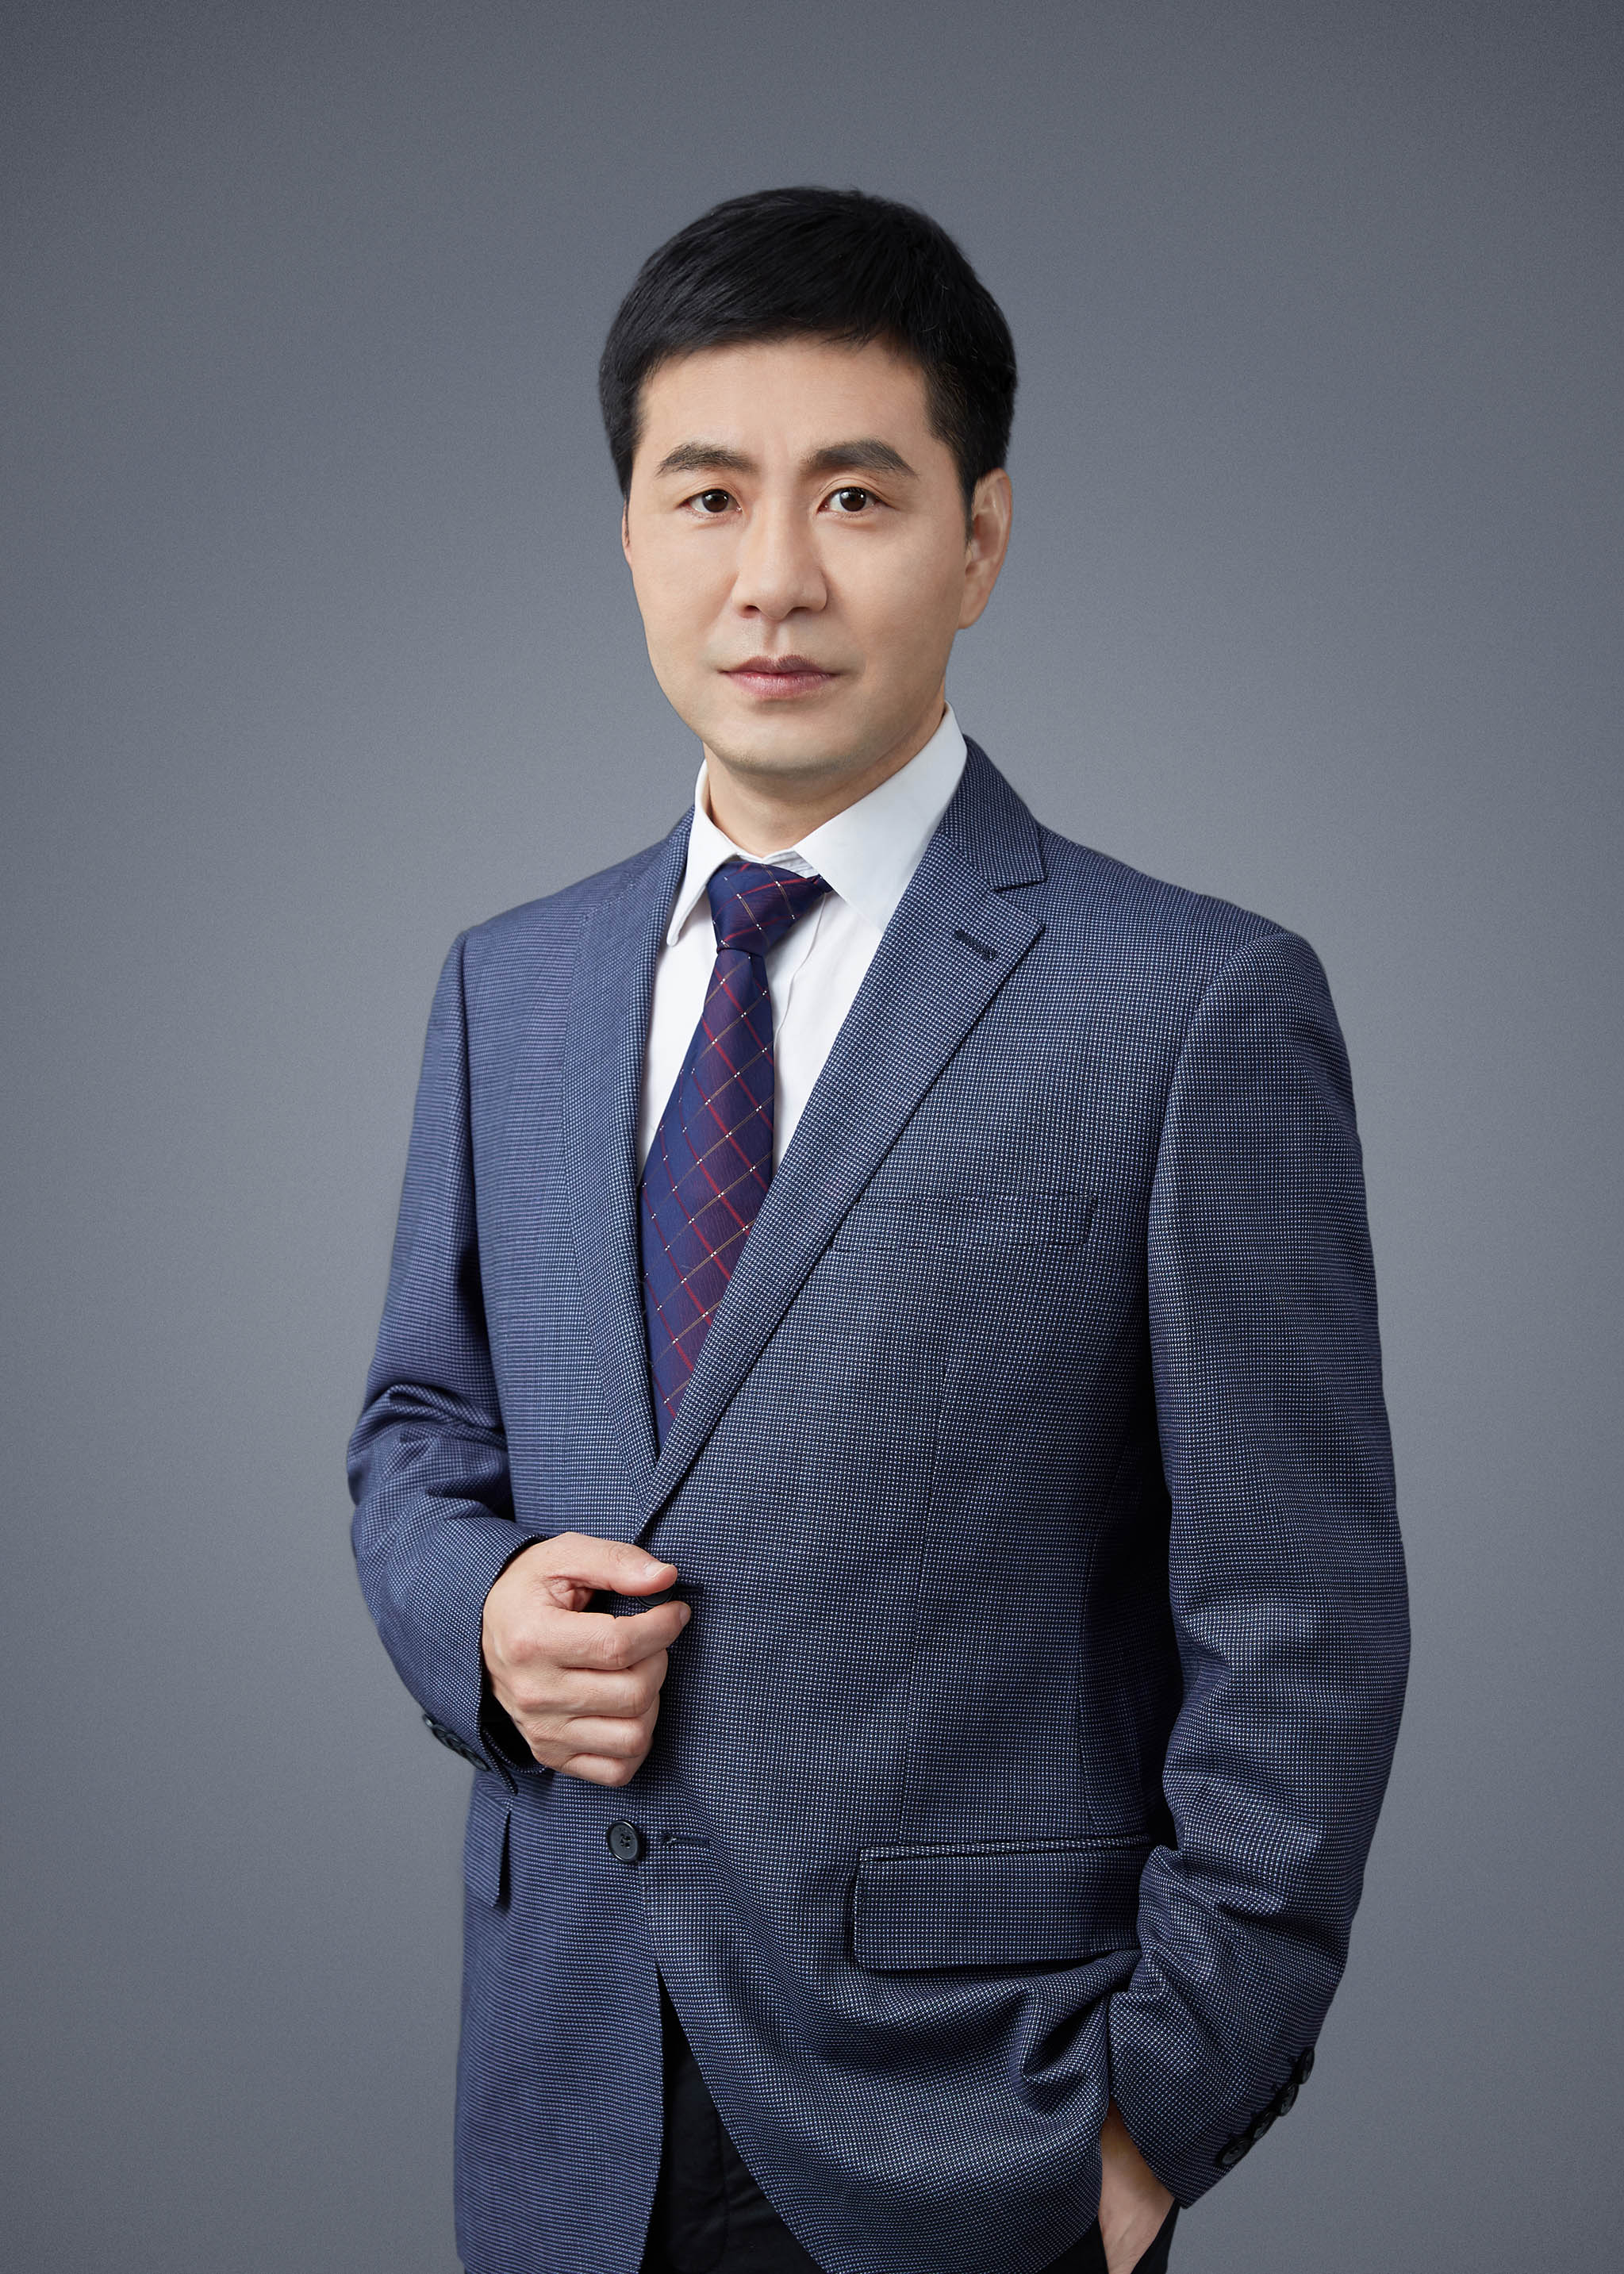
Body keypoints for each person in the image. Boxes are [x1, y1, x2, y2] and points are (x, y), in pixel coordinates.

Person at [348, 187, 1409, 2274]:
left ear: (980, 539)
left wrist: (1154, 2112)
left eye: (855, 495)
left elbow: (1301, 1617)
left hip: (975, 2124)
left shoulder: (1189, 1003)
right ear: (630, 535)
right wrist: (476, 1618)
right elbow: (414, 1432)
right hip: (559, 2092)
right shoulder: (510, 984)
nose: (775, 575)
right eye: (708, 495)